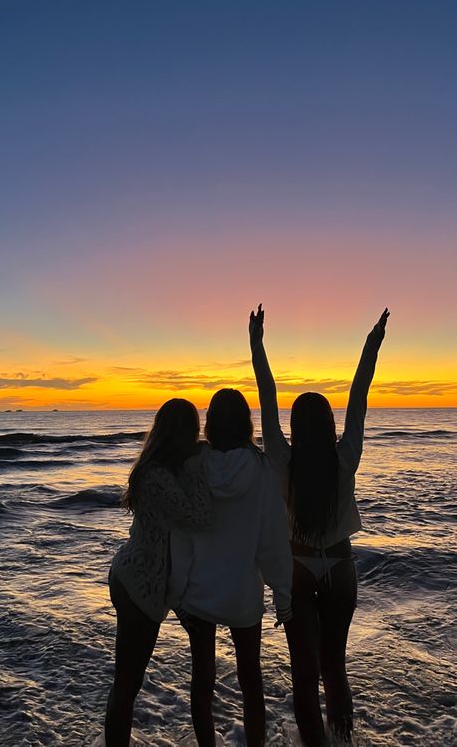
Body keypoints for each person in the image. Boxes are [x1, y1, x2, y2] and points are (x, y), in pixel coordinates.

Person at [249, 305, 389, 747]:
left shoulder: (283, 460)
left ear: (295, 426)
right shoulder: (345, 458)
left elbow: (267, 396)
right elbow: (360, 392)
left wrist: (256, 343)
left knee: (304, 674)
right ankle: (343, 742)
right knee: (335, 666)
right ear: (329, 424)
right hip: (341, 570)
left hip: (298, 569)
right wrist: (372, 342)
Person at [167, 388, 293, 747]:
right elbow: (272, 539)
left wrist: (175, 590)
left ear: (210, 425)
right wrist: (282, 594)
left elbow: (183, 534)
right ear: (245, 423)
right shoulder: (262, 468)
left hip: (198, 592)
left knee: (202, 679)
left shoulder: (195, 466)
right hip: (242, 595)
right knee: (251, 681)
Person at [104, 398, 213, 747]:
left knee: (127, 682)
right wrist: (199, 464)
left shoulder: (159, 470)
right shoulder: (156, 477)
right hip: (139, 583)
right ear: (181, 433)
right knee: (127, 684)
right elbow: (200, 517)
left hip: (137, 577)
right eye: (193, 431)